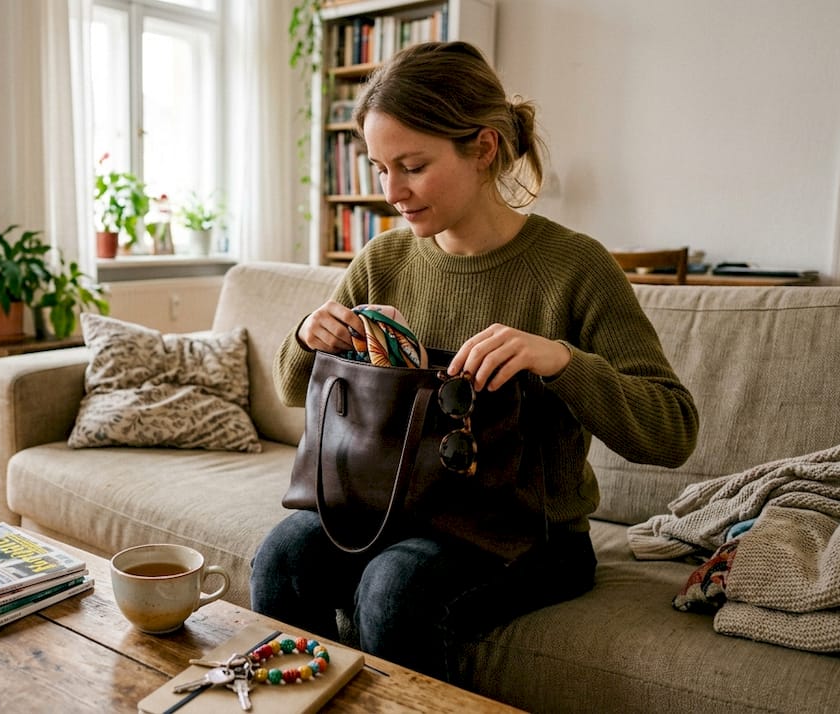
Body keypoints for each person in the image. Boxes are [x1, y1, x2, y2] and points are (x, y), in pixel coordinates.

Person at [250, 41, 698, 683]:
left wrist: (560, 361)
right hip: (397, 511)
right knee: (282, 557)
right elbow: (294, 389)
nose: (391, 192)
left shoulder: (575, 269)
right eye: (380, 168)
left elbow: (674, 431)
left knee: (393, 586)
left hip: (531, 540)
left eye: (412, 165)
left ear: (483, 149)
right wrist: (307, 335)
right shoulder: (385, 260)